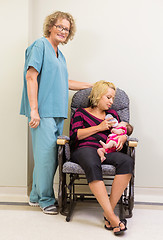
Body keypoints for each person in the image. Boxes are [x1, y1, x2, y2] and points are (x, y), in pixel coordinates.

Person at [20, 11, 92, 215]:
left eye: (66, 29)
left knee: (50, 156)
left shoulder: (60, 55)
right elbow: (31, 77)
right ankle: (45, 199)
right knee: (46, 158)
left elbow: (65, 82)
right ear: (51, 26)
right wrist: (34, 110)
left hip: (57, 112)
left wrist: (92, 85)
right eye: (59, 26)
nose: (63, 31)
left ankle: (35, 195)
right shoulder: (40, 46)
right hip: (42, 111)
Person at [70, 80, 134, 235]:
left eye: (112, 98)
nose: (111, 102)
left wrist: (123, 138)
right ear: (98, 96)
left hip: (105, 150)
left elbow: (122, 130)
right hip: (84, 149)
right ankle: (113, 218)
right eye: (108, 97)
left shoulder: (112, 115)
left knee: (127, 161)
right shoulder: (80, 112)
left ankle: (108, 213)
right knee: (92, 163)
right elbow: (75, 135)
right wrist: (99, 127)